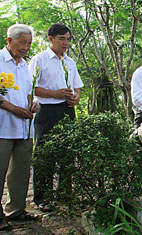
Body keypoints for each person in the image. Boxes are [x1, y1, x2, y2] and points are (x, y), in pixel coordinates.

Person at [29, 23, 84, 212]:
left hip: (67, 110)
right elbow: (32, 87)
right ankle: (42, 198)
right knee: (45, 154)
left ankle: (64, 194)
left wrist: (76, 97)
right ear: (51, 39)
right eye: (62, 39)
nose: (66, 43)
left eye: (68, 39)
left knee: (68, 153)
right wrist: (55, 94)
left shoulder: (70, 62)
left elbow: (77, 85)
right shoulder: (40, 60)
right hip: (47, 110)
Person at [0, 24, 38, 230]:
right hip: (3, 126)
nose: (26, 47)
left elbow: (28, 92)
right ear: (9, 41)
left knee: (21, 172)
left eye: (29, 43)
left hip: (24, 127)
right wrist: (13, 108)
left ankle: (16, 210)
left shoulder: (24, 65)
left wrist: (33, 104)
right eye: (22, 42)